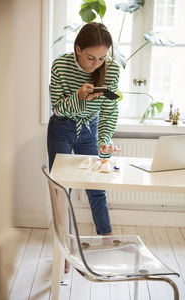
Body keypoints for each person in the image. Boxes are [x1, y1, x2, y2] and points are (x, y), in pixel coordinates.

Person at [47, 22, 119, 266]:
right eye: (91, 57)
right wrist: (78, 96)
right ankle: (64, 249)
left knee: (96, 185)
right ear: (78, 49)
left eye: (101, 58)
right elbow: (58, 106)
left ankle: (106, 239)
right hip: (62, 127)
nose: (96, 64)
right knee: (61, 190)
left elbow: (109, 109)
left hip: (91, 128)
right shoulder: (60, 65)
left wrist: (105, 140)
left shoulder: (111, 70)